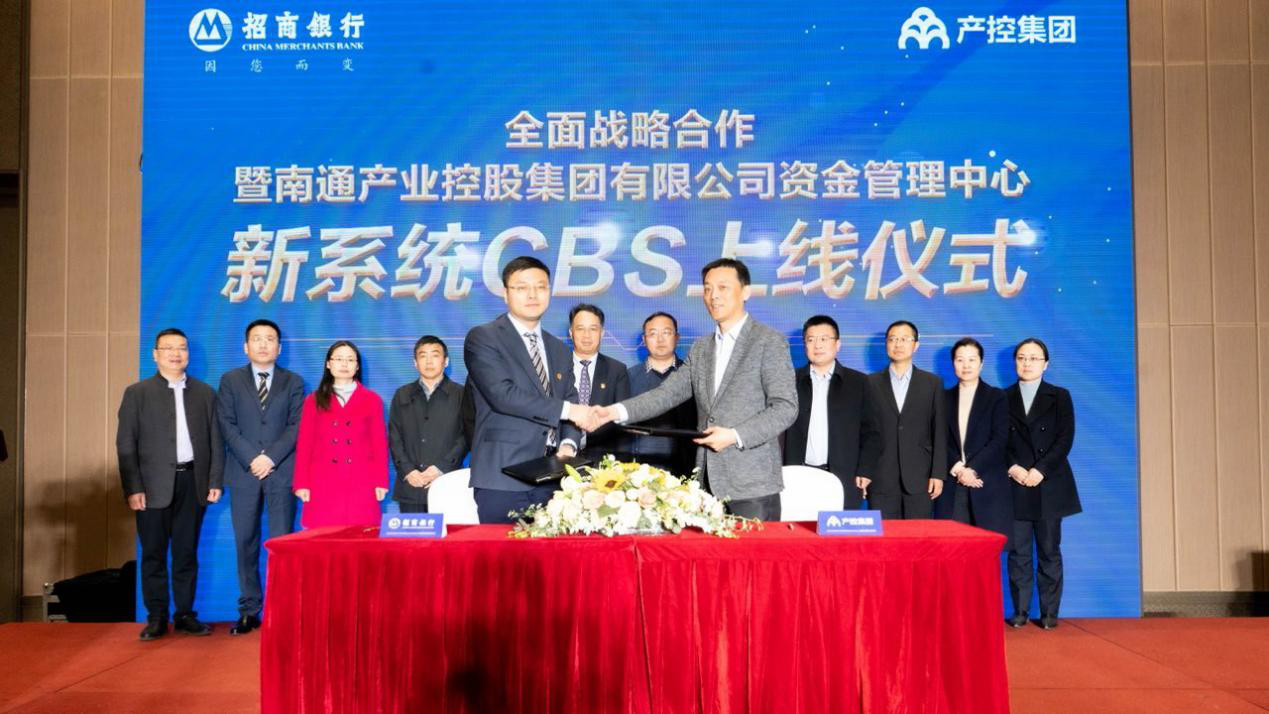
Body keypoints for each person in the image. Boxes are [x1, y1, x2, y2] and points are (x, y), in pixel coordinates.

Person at [593, 258, 797, 521]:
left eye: (722, 287)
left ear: (745, 292)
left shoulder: (769, 341)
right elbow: (666, 394)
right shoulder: (701, 348)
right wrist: (613, 412)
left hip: (752, 486)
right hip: (705, 484)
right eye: (707, 288)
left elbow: (785, 407)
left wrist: (735, 435)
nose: (713, 296)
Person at [116, 328, 223, 640]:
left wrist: (214, 479)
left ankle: (185, 614)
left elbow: (216, 442)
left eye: (182, 348)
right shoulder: (137, 393)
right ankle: (157, 616)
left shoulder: (205, 393)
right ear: (155, 354)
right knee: (153, 553)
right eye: (169, 348)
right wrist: (133, 487)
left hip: (193, 481)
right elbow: (126, 445)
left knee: (186, 552)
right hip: (151, 487)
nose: (176, 354)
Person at [463, 256, 587, 523]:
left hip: (553, 478)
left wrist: (568, 444)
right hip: (503, 476)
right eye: (522, 287)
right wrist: (570, 411)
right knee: (502, 550)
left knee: (551, 551)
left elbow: (570, 397)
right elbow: (502, 395)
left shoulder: (559, 348)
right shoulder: (484, 337)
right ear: (505, 293)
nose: (533, 295)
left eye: (540, 287)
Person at [217, 319, 304, 636]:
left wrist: (270, 457)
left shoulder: (293, 382)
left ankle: (282, 610)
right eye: (257, 339)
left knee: (282, 543)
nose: (264, 344)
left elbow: (296, 425)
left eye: (270, 339)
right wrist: (253, 458)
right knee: (245, 542)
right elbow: (226, 424)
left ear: (280, 348)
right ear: (246, 346)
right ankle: (249, 610)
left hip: (281, 472)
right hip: (244, 473)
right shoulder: (230, 380)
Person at [1005, 338, 1080, 630]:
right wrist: (1013, 467)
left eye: (1034, 358)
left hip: (1049, 483)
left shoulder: (1060, 396)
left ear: (1046, 364)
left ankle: (1049, 613)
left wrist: (1040, 470)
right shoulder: (1002, 397)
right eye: (1022, 357)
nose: (1027, 363)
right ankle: (1020, 611)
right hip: (1016, 483)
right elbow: (998, 439)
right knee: (1019, 552)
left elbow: (1065, 439)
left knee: (1049, 550)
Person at [782, 315, 881, 509]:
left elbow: (872, 433)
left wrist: (865, 470)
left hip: (843, 477)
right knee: (798, 527)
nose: (817, 345)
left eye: (824, 339)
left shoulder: (859, 382)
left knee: (839, 528)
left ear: (837, 344)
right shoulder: (789, 381)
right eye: (811, 340)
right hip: (797, 475)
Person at [293, 341, 389, 528]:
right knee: (323, 537)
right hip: (323, 479)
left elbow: (379, 443)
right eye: (338, 359)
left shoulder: (372, 400)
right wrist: (301, 482)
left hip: (361, 479)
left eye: (350, 360)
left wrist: (381, 481)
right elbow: (305, 443)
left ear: (357, 366)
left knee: (360, 534)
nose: (344, 364)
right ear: (328, 364)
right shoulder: (314, 400)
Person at [933, 337, 1013, 542]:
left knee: (985, 551)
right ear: (953, 364)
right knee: (952, 548)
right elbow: (937, 438)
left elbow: (999, 439)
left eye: (972, 359)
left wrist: (972, 469)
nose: (966, 365)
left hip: (985, 483)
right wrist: (959, 468)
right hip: (952, 484)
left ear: (981, 363)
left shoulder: (996, 397)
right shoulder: (942, 398)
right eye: (960, 360)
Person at [867, 320, 947, 519]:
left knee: (918, 535)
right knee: (884, 535)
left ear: (916, 345)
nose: (898, 344)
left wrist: (938, 473)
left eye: (904, 339)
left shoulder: (932, 383)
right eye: (893, 339)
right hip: (880, 476)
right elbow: (864, 432)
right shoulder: (869, 383)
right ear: (886, 344)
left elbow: (939, 432)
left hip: (921, 477)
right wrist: (864, 471)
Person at [388, 336, 474, 513]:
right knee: (413, 532)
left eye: (435, 355)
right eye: (423, 356)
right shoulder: (402, 395)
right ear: (415, 362)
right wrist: (408, 471)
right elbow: (394, 437)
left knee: (447, 531)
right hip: (411, 485)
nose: (429, 361)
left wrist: (441, 468)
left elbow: (466, 437)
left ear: (446, 361)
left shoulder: (462, 394)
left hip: (447, 483)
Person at [625, 311, 697, 476]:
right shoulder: (628, 377)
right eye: (653, 334)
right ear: (644, 340)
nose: (660, 339)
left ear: (676, 337)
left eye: (666, 332)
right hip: (639, 472)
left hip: (687, 469)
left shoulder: (693, 375)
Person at [567, 303, 629, 455]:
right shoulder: (556, 365)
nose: (586, 335)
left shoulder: (617, 370)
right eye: (580, 329)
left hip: (601, 456)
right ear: (571, 333)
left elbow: (622, 421)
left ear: (602, 333)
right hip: (560, 453)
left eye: (593, 329)